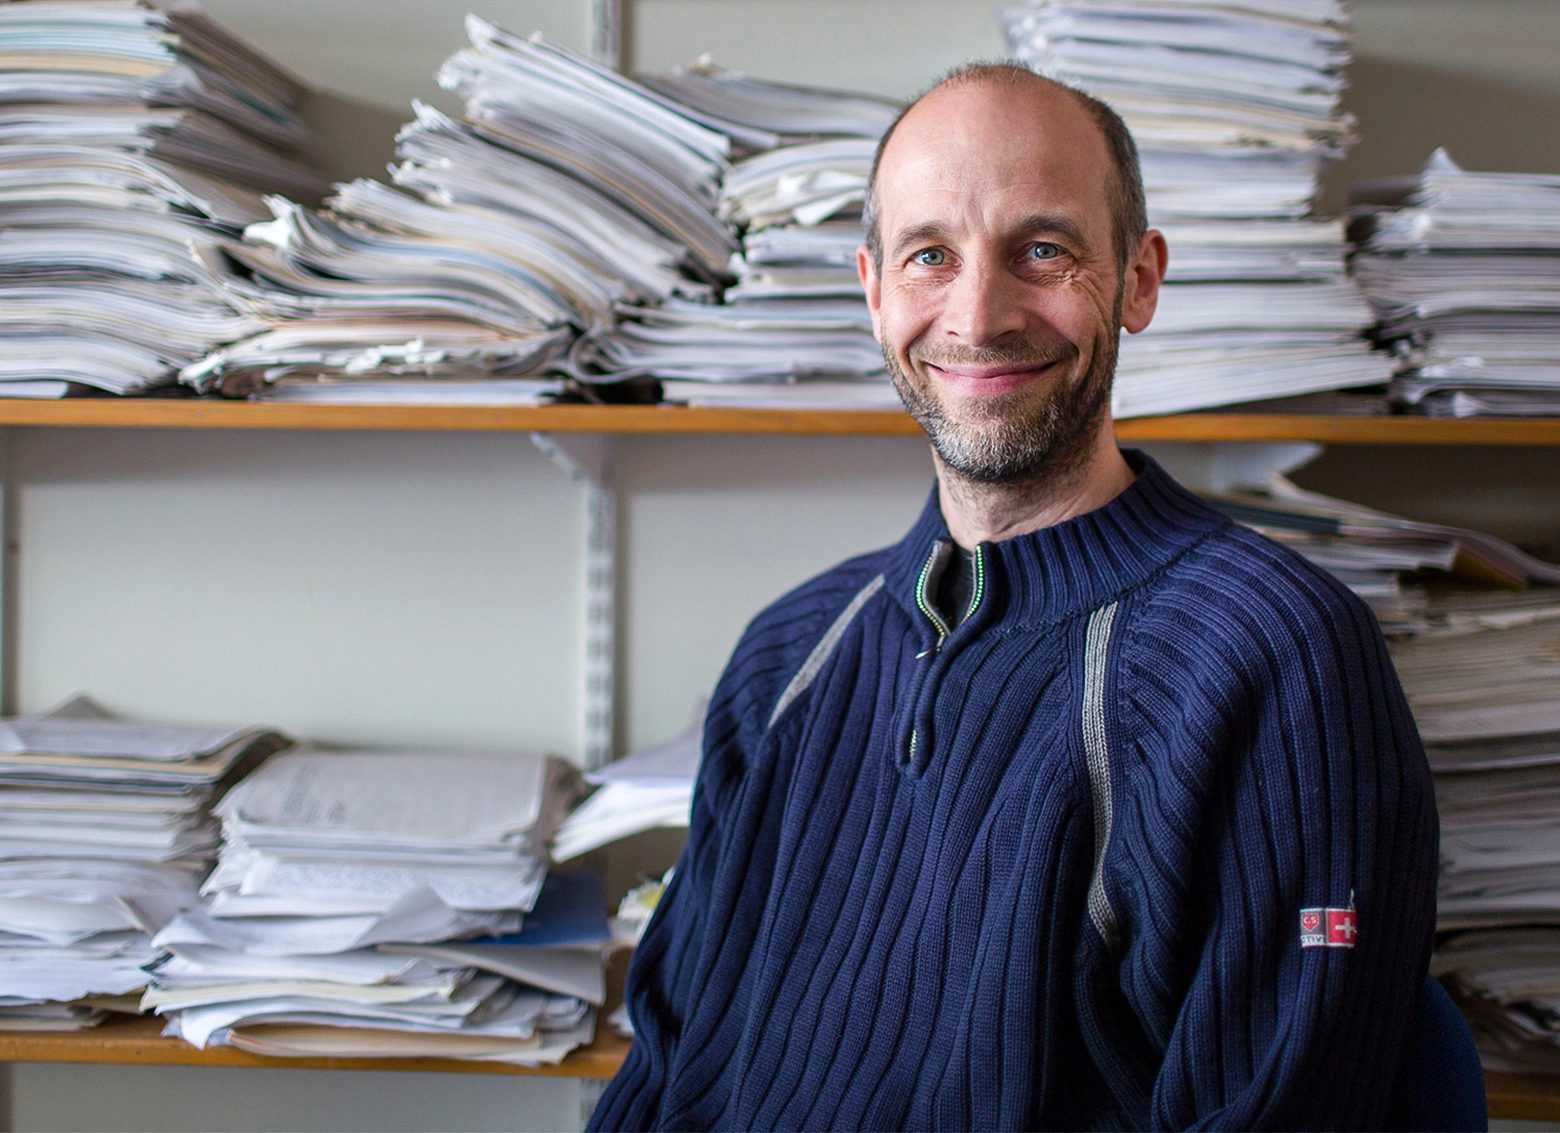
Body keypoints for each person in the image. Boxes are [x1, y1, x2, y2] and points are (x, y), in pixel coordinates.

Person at [589, 62, 1437, 1131]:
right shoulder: (787, 653)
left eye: (1043, 249)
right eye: (930, 255)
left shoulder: (1280, 654)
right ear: (874, 288)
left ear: (1137, 277)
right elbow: (663, 1069)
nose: (980, 316)